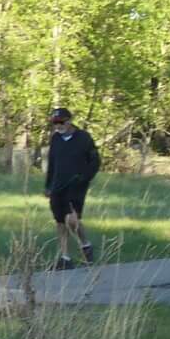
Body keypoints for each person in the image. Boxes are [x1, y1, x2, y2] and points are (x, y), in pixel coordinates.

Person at [44, 107, 101, 269]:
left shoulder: (84, 138)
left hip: (76, 185)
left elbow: (95, 161)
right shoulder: (55, 139)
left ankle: (85, 245)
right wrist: (48, 185)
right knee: (60, 222)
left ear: (69, 121)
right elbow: (52, 164)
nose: (58, 126)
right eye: (55, 123)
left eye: (61, 122)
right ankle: (65, 258)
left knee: (72, 219)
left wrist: (84, 177)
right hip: (57, 185)